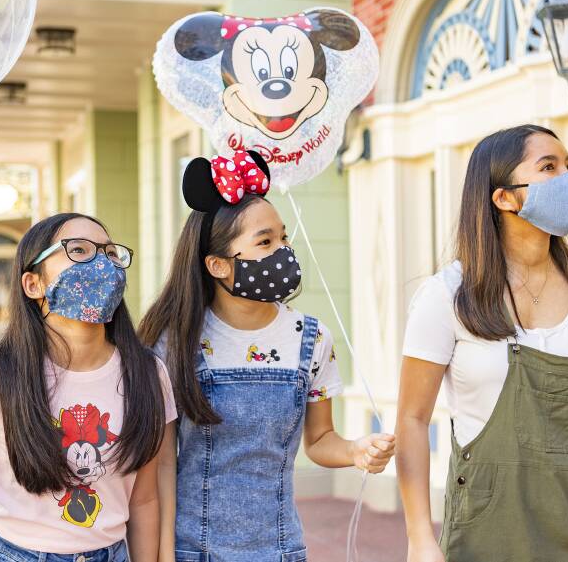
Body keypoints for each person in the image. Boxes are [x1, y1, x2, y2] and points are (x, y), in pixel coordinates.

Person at [396, 125, 568, 562]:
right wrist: (420, 537)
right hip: (488, 533)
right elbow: (413, 419)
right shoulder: (447, 296)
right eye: (548, 167)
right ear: (504, 196)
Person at [138, 149, 396, 562]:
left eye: (283, 237)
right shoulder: (175, 343)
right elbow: (160, 463)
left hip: (279, 551)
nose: (283, 251)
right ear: (218, 265)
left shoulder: (312, 339)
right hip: (190, 551)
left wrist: (356, 451)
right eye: (265, 241)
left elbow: (320, 440)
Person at [0, 213, 177, 562]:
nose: (101, 264)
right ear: (33, 284)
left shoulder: (149, 374)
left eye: (109, 253)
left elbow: (144, 499)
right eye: (78, 250)